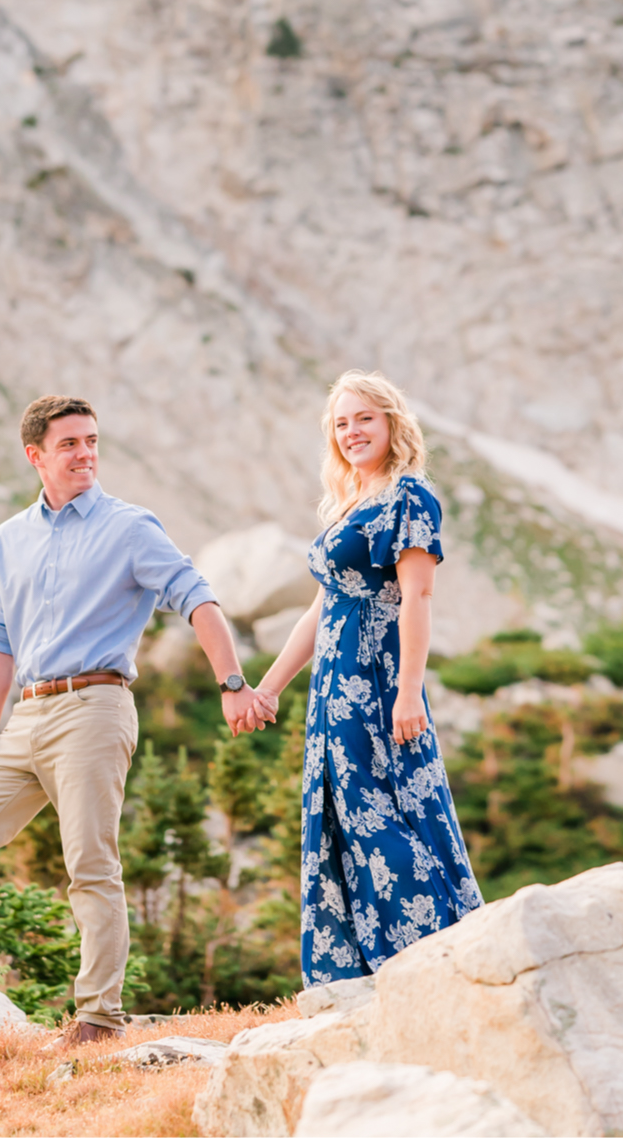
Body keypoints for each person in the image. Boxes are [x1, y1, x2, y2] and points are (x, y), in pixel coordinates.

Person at [0, 393, 271, 1044]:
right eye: (69, 444)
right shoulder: (8, 539)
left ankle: (97, 1018)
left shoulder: (129, 527)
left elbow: (198, 598)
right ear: (35, 455)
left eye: (91, 440)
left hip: (96, 706)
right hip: (25, 717)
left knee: (90, 862)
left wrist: (231, 681)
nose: (86, 453)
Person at [253, 370, 483, 982]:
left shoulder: (409, 498)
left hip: (380, 680)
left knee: (391, 815)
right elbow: (323, 605)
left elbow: (418, 599)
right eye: (341, 423)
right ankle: (358, 970)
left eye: (364, 419)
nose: (352, 432)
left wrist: (409, 691)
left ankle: (432, 960)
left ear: (392, 423)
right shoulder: (350, 500)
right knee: (344, 816)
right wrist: (269, 688)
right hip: (332, 685)